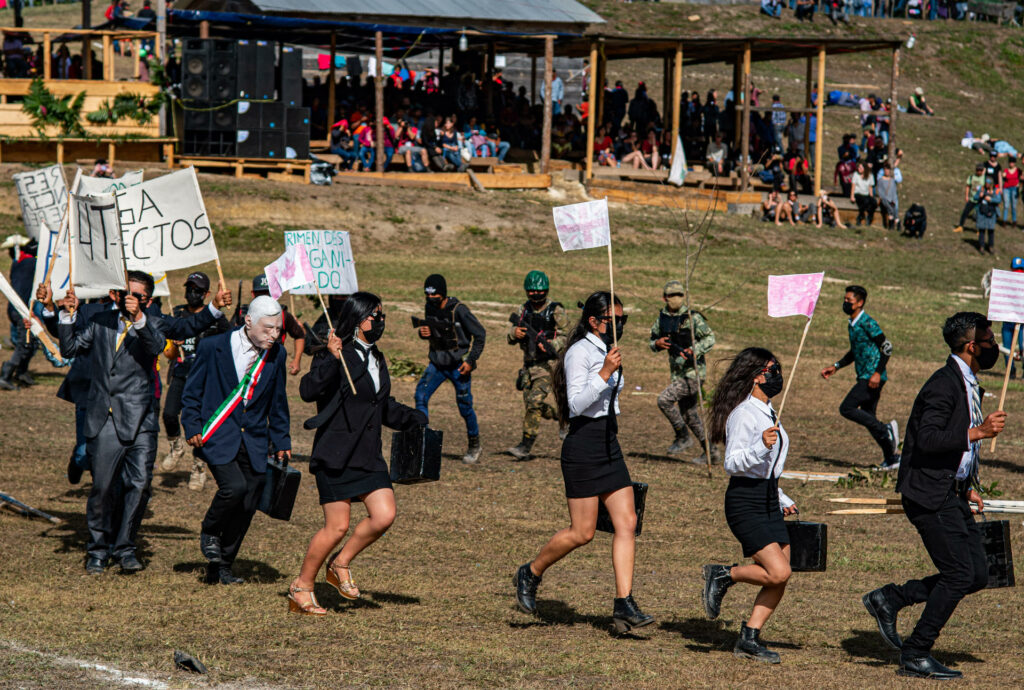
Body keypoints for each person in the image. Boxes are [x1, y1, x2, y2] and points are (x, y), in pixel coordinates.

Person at [861, 312, 1004, 680]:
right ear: (971, 346)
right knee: (958, 575)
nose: (994, 347)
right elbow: (926, 439)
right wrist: (979, 433)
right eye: (989, 341)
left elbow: (955, 445)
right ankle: (916, 652)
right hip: (928, 494)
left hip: (951, 490)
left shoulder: (967, 382)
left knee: (977, 575)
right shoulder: (943, 384)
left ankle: (890, 599)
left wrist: (968, 482)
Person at [513, 292, 654, 634]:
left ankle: (624, 604)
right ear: (594, 321)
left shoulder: (606, 349)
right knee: (583, 532)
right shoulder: (579, 353)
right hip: (583, 445)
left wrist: (608, 367)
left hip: (609, 443)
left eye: (623, 319)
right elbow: (575, 405)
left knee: (627, 521)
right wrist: (606, 371)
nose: (619, 325)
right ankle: (530, 572)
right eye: (613, 319)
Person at [289, 293, 426, 614]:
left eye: (382, 316)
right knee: (336, 527)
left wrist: (414, 418)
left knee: (384, 515)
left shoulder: (376, 356)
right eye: (374, 316)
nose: (379, 322)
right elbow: (308, 391)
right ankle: (302, 585)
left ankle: (341, 564)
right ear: (357, 318)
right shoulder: (333, 350)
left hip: (368, 455)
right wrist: (332, 358)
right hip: (336, 453)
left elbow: (381, 405)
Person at [57, 272, 167, 574]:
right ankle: (97, 549)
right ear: (117, 294)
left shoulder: (154, 321)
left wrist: (139, 317)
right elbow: (69, 350)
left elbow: (156, 346)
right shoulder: (101, 321)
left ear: (148, 300)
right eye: (126, 293)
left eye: (138, 296)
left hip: (141, 417)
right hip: (105, 417)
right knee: (103, 487)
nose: (130, 299)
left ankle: (126, 547)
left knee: (140, 484)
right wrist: (68, 316)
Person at [181, 296, 291, 585]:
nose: (274, 335)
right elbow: (192, 392)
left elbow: (278, 402)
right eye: (268, 328)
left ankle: (223, 565)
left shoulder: (277, 354)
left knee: (247, 504)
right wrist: (192, 424)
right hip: (218, 436)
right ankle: (209, 530)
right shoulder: (212, 347)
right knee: (234, 487)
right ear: (248, 321)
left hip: (255, 439)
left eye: (278, 329)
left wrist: (282, 440)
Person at [700, 348, 797, 664]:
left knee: (782, 575)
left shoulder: (769, 411)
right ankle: (724, 574)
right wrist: (760, 445)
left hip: (768, 498)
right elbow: (732, 463)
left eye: (778, 368)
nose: (777, 374)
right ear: (756, 375)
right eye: (772, 369)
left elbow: (769, 467)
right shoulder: (744, 413)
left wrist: (782, 498)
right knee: (777, 571)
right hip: (745, 501)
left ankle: (749, 638)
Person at [160, 272, 230, 490]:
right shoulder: (177, 314)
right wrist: (173, 343)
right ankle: (176, 446)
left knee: (202, 424)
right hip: (181, 372)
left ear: (206, 294)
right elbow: (167, 352)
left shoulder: (217, 318)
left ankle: (199, 466)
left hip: (206, 379)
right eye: (189, 289)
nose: (192, 294)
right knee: (170, 414)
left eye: (197, 291)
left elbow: (228, 345)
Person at [821, 286, 900, 470]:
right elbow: (855, 351)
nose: (846, 303)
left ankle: (885, 429)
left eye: (849, 300)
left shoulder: (867, 322)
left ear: (860, 302)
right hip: (864, 376)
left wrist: (877, 373)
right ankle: (892, 457)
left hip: (871, 377)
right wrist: (836, 366)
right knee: (869, 416)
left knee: (847, 408)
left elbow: (887, 347)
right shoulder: (853, 323)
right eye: (845, 299)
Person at [414, 274, 486, 464]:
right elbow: (434, 333)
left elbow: (480, 334)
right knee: (420, 396)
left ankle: (474, 444)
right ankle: (424, 443)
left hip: (458, 366)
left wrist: (470, 360)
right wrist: (425, 333)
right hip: (437, 364)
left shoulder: (459, 310)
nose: (430, 299)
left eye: (434, 295)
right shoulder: (429, 306)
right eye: (427, 295)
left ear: (443, 294)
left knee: (465, 407)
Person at [649, 280, 717, 460]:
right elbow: (652, 339)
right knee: (689, 414)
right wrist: (657, 343)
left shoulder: (692, 318)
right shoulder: (662, 319)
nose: (676, 299)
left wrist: (694, 350)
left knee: (664, 400)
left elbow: (710, 338)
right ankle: (711, 452)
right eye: (672, 295)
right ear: (664, 297)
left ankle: (683, 437)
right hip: (677, 374)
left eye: (679, 295)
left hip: (693, 374)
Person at [507, 271, 568, 460]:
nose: (535, 295)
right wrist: (513, 333)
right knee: (532, 406)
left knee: (534, 402)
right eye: (531, 291)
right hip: (529, 365)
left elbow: (567, 336)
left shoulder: (556, 310)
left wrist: (551, 345)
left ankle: (525, 445)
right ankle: (564, 419)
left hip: (548, 365)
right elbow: (510, 335)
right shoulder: (523, 310)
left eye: (539, 291)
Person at [244, 274, 305, 375]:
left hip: (273, 366)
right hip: (246, 368)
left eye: (268, 294)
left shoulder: (283, 315)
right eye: (261, 294)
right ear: (253, 294)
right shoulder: (242, 313)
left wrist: (296, 360)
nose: (265, 298)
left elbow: (299, 335)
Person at [0, 235, 38, 390]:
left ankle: (21, 372)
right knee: (24, 344)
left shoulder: (18, 263)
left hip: (16, 309)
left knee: (32, 342)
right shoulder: (31, 263)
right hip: (21, 310)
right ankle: (5, 375)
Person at [953, 163, 986, 233]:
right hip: (972, 199)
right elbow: (968, 186)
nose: (979, 172)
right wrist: (966, 196)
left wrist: (983, 194)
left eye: (980, 170)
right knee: (965, 212)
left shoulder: (984, 178)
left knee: (978, 215)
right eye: (978, 170)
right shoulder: (971, 177)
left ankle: (978, 230)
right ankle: (960, 226)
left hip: (979, 200)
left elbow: (985, 188)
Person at [974, 181, 999, 254]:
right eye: (986, 183)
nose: (987, 185)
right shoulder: (981, 189)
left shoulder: (996, 190)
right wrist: (979, 196)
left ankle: (990, 246)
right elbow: (975, 197)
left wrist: (991, 199)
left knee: (991, 230)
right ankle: (981, 246)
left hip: (991, 212)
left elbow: (999, 200)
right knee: (981, 230)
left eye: (988, 183)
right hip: (982, 212)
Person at [850, 162, 876, 226]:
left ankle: (869, 217)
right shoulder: (856, 174)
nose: (859, 169)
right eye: (858, 167)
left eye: (861, 167)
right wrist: (852, 196)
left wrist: (871, 197)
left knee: (873, 202)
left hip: (866, 194)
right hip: (858, 193)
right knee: (865, 201)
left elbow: (870, 187)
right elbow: (853, 185)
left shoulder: (870, 175)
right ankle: (860, 216)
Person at [1001, 155, 1019, 226]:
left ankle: (1014, 221)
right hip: (1006, 189)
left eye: (1012, 162)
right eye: (1010, 162)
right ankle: (1004, 220)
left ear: (1014, 163)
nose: (1011, 163)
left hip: (1014, 188)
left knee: (1014, 206)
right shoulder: (1006, 170)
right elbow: (1003, 176)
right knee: (1006, 205)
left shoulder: (1018, 170)